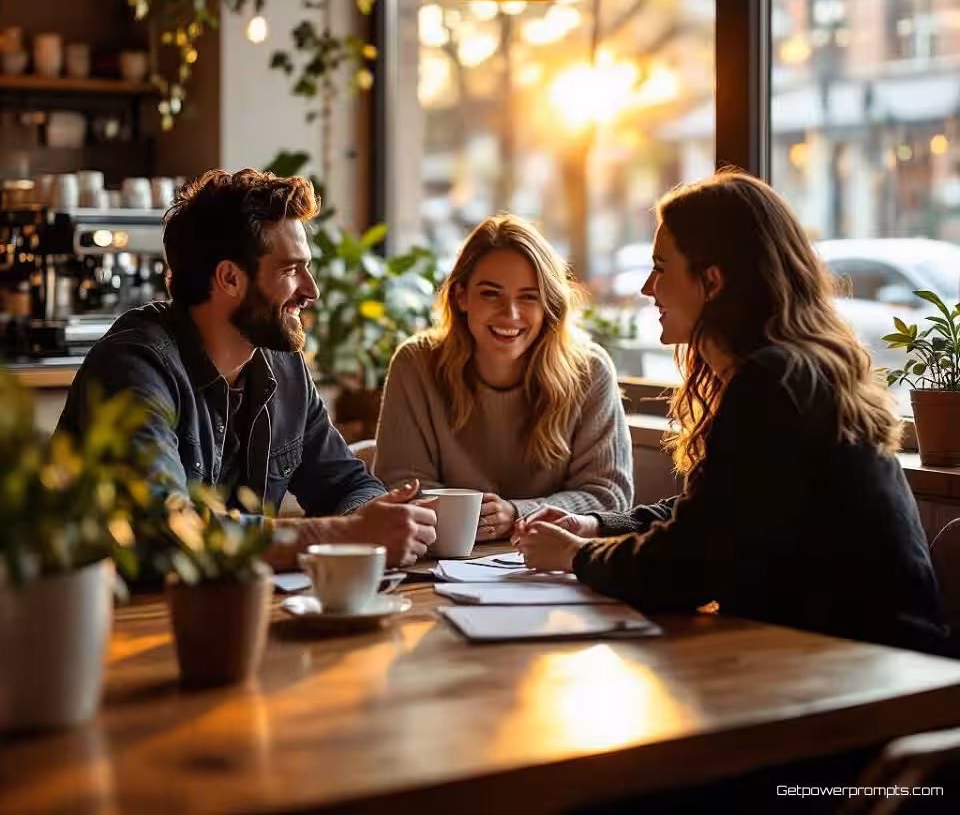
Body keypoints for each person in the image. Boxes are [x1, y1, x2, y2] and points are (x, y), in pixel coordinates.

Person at [515, 171, 947, 654]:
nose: (646, 287)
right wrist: (598, 526)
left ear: (713, 280)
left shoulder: (775, 381)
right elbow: (717, 518)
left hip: (871, 674)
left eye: (661, 267)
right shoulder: (788, 369)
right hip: (833, 658)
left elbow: (692, 566)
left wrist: (577, 556)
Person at [58, 168, 436, 569]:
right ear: (229, 278)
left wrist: (380, 516)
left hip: (235, 607)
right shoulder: (133, 368)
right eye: (291, 270)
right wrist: (347, 534)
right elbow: (163, 531)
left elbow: (347, 484)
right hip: (114, 619)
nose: (312, 290)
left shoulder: (282, 366)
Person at [374, 214, 632, 542]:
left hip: (550, 565)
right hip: (439, 560)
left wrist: (516, 513)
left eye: (528, 296)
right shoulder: (415, 364)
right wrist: (478, 519)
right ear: (461, 297)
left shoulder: (591, 371)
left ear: (548, 304)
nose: (510, 314)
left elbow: (610, 498)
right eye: (491, 294)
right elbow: (400, 485)